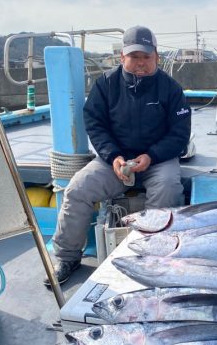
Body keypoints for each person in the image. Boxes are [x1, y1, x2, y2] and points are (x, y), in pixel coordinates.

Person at [44, 25, 191, 286]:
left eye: (146, 56)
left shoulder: (171, 89)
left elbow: (179, 134)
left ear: (156, 56)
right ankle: (67, 256)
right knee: (78, 188)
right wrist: (112, 156)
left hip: (157, 159)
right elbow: (95, 123)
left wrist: (152, 156)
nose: (141, 63)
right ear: (122, 57)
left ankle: (153, 254)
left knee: (168, 187)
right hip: (116, 160)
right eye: (134, 57)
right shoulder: (106, 85)